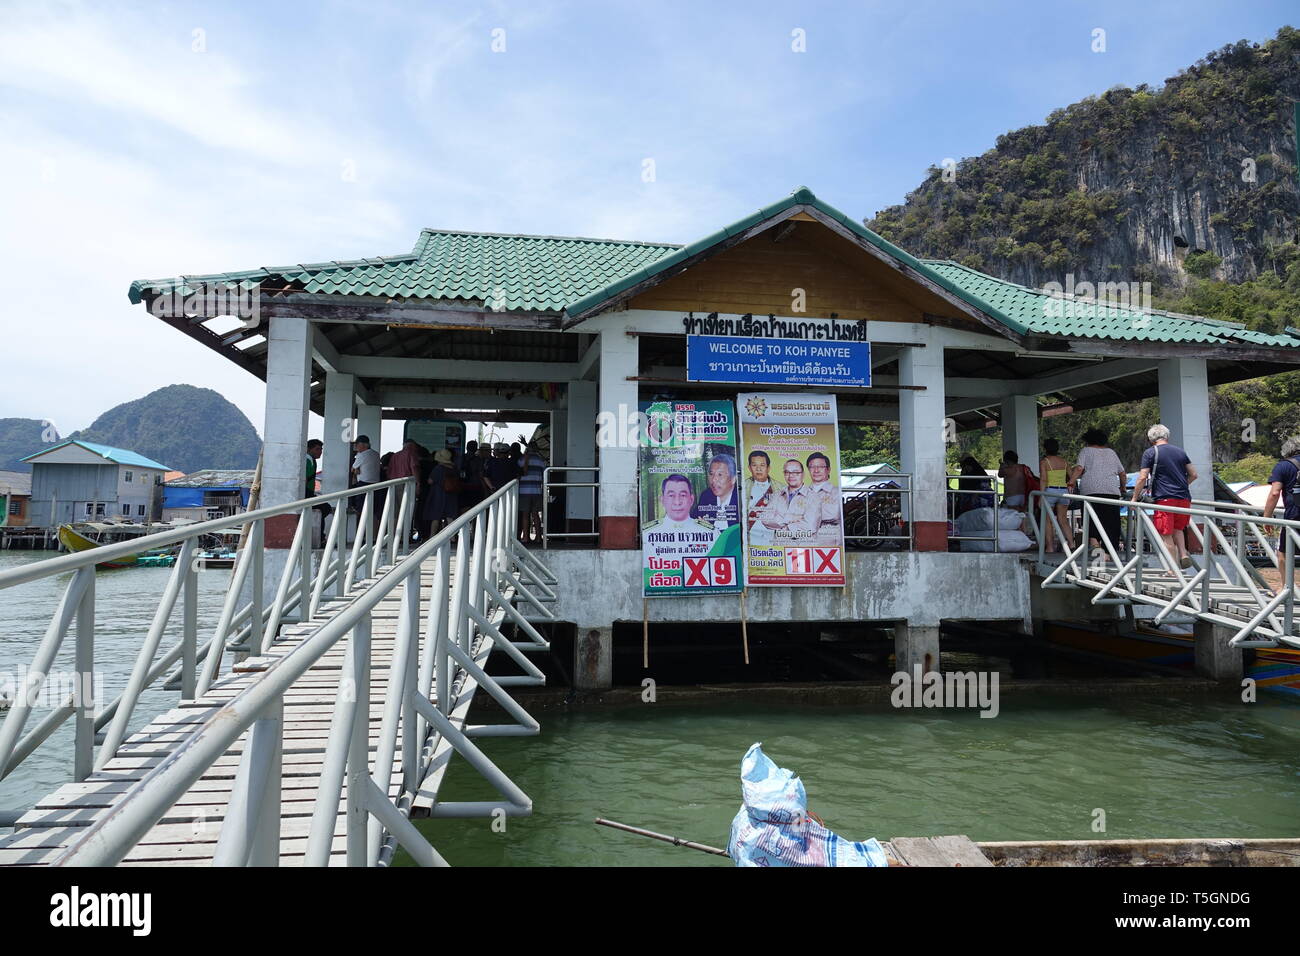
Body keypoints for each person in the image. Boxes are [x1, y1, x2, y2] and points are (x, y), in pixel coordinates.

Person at [1131, 424, 1197, 569]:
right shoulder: (1180, 452)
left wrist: (1135, 498)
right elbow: (1194, 474)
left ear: (1150, 439)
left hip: (1165, 498)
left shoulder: (1150, 452)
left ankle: (1172, 570)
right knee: (1178, 529)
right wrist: (1182, 486)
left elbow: (1142, 477)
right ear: (1167, 436)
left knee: (1165, 534)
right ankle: (1183, 554)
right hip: (1184, 498)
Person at [1071, 429, 1127, 558]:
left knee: (1090, 518)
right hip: (1111, 491)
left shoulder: (1086, 451)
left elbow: (1079, 468)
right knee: (1111, 522)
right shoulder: (1111, 453)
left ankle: (1095, 544)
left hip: (1090, 491)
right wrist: (1123, 488)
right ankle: (1109, 552)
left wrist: (1071, 482)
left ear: (1088, 440)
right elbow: (1122, 473)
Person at [1262, 436, 1300, 569]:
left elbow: (1274, 493)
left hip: (1294, 516)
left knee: (1283, 554)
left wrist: (1266, 518)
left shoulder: (1283, 466)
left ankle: (1286, 587)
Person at [761, 459, 820, 536]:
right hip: (779, 546)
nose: (791, 476)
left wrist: (781, 528)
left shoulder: (814, 497)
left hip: (804, 545)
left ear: (803, 474)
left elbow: (810, 527)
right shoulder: (776, 495)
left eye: (796, 472)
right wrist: (790, 518)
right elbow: (765, 519)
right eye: (787, 472)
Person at [644, 475, 715, 535]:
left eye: (683, 495)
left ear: (691, 499)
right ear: (662, 500)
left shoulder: (707, 532)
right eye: (671, 495)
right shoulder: (648, 532)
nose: (677, 502)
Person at [1039, 439, 1075, 554]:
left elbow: (1044, 479)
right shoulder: (1064, 462)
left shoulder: (1044, 462)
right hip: (1063, 491)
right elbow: (1071, 476)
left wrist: (1041, 495)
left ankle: (1050, 547)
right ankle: (1071, 543)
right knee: (1063, 520)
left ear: (1045, 449)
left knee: (1048, 521)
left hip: (1050, 491)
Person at [693, 453, 740, 528]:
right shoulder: (706, 496)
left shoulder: (741, 499)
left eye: (720, 474)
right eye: (711, 474)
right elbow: (694, 519)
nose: (714, 479)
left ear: (733, 479)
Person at [349, 435, 384, 534]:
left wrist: (357, 468)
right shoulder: (376, 454)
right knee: (374, 512)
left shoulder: (362, 455)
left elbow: (353, 469)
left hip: (364, 484)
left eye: (357, 445)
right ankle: (374, 535)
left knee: (361, 510)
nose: (356, 447)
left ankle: (359, 534)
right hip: (376, 485)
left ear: (363, 445)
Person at [422, 448, 460, 534]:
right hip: (452, 494)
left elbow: (430, 481)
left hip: (438, 494)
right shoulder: (454, 468)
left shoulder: (438, 468)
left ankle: (432, 536)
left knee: (436, 517)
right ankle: (452, 537)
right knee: (450, 517)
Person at [517, 441, 546, 543]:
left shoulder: (522, 459)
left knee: (525, 515)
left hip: (524, 491)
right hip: (537, 491)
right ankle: (538, 537)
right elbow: (545, 473)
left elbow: (519, 471)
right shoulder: (540, 461)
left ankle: (525, 537)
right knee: (535, 514)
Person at [745, 450, 775, 546]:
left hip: (773, 539)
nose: (758, 469)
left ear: (768, 468)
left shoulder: (779, 487)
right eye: (754, 465)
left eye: (762, 465)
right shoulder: (743, 487)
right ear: (749, 468)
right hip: (749, 539)